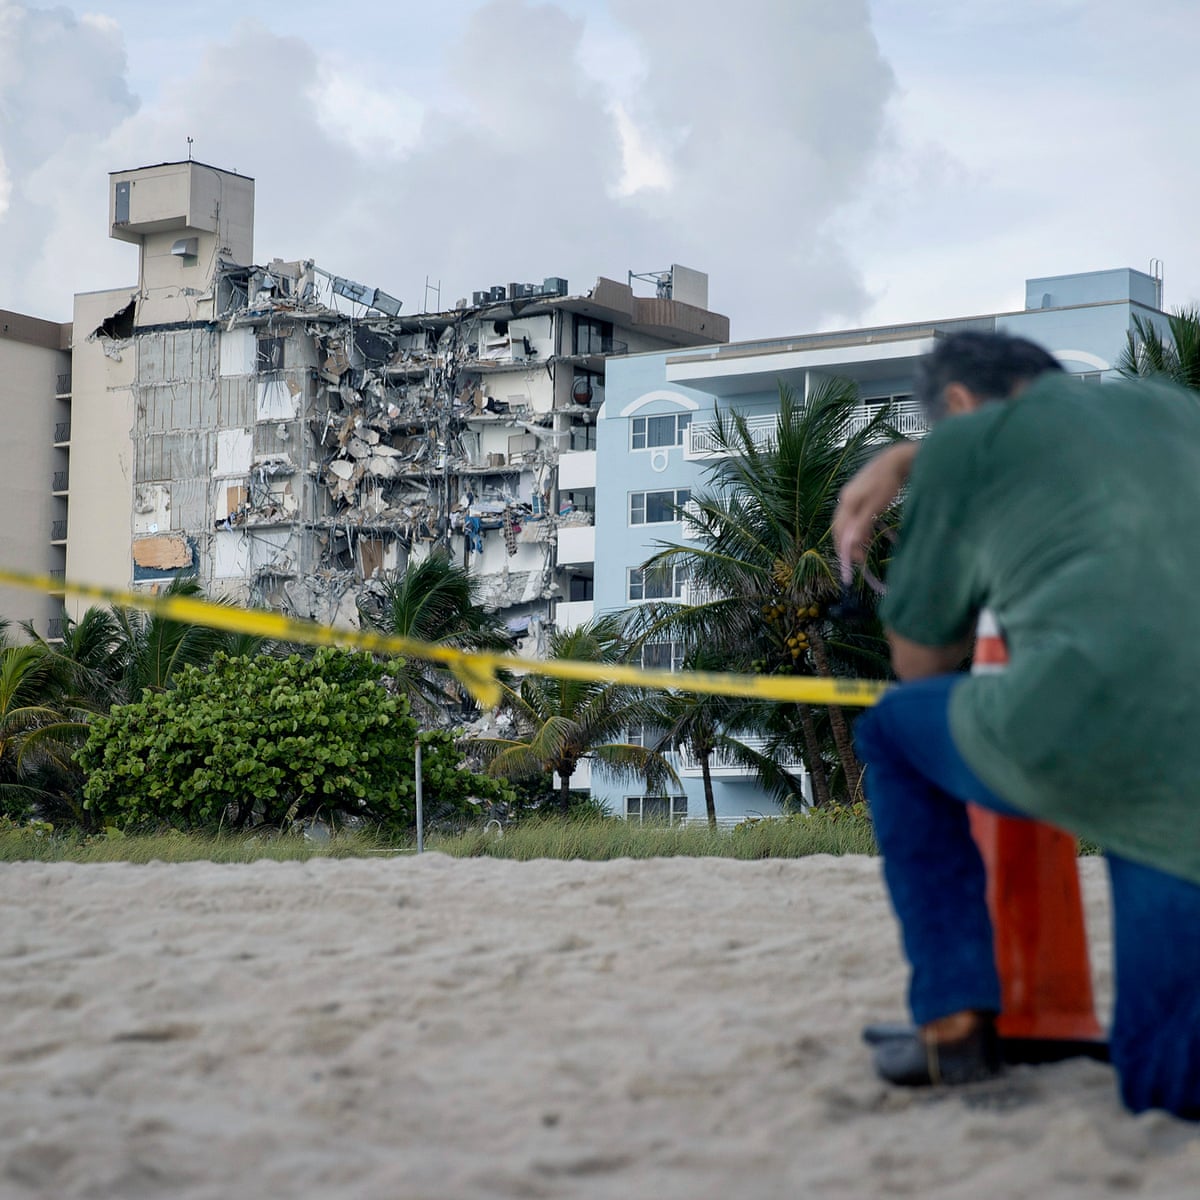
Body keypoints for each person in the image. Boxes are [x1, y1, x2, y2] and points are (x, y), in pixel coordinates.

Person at [837, 330, 1200, 1118]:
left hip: (1099, 731)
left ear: (960, 405)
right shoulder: (1174, 408)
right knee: (1174, 1079)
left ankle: (955, 1023)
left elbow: (922, 662)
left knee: (896, 729)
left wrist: (920, 475)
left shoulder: (971, 441)